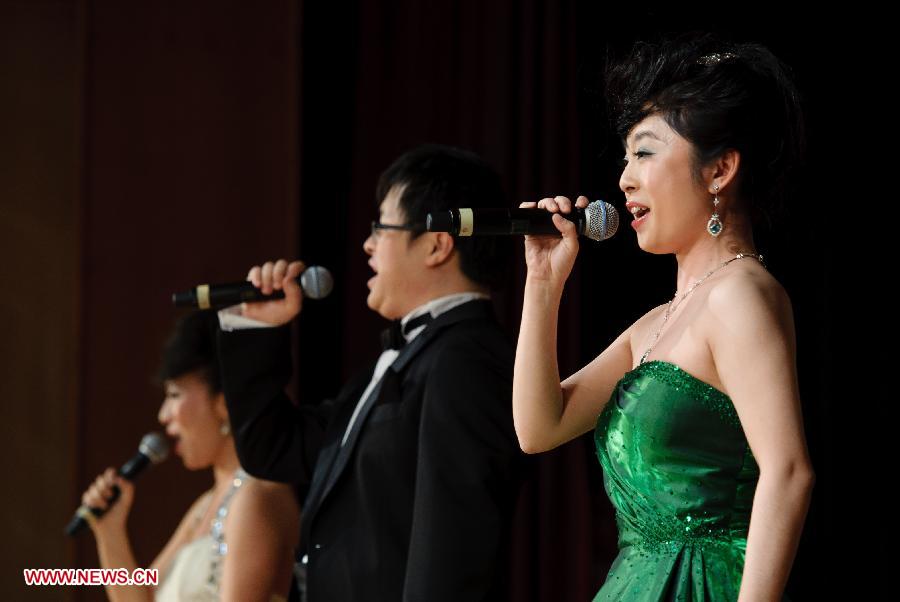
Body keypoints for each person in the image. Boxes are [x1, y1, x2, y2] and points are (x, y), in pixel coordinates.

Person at [512, 33, 814, 600]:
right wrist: (543, 283)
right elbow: (537, 428)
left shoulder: (740, 296)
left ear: (719, 169)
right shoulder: (657, 323)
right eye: (626, 157)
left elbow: (789, 472)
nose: (624, 177)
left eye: (645, 152)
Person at [216, 144, 522, 601]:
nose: (368, 244)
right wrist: (257, 330)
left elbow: (454, 543)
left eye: (382, 227)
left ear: (438, 244)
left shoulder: (466, 359)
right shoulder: (408, 357)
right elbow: (274, 450)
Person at [79, 311, 300, 601]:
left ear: (222, 403)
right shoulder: (205, 505)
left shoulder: (254, 497)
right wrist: (110, 532)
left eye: (174, 395)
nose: (163, 415)